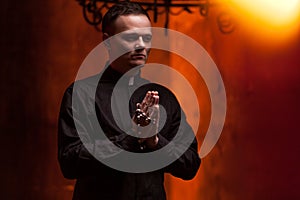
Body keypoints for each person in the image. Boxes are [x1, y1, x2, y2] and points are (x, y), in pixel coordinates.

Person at [58, 1, 201, 200]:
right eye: (131, 37)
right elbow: (70, 162)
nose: (141, 45)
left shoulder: (164, 97)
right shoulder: (81, 94)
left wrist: (155, 141)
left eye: (147, 37)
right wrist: (129, 138)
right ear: (107, 42)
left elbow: (190, 165)